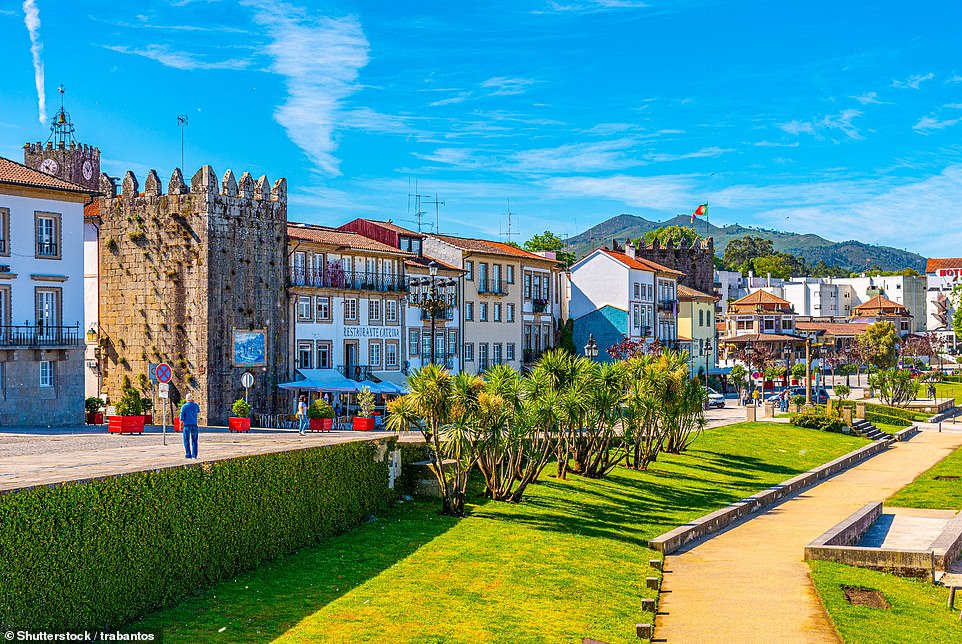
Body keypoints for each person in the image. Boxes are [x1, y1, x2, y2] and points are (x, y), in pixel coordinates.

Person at [179, 393, 200, 459]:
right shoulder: (195, 405)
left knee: (186, 440)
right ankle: (194, 455)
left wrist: (180, 425)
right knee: (194, 440)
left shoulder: (184, 406)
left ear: (186, 399)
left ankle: (188, 454)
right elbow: (198, 411)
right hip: (194, 425)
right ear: (192, 398)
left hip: (187, 425)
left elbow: (181, 417)